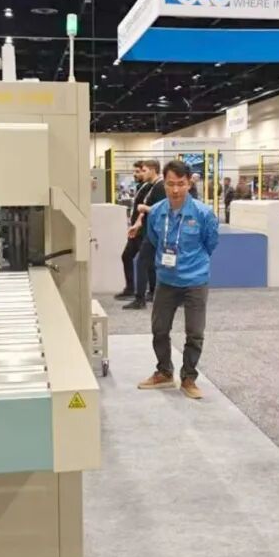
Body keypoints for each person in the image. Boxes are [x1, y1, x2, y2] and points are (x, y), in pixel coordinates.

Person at [136, 160, 219, 400]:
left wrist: (192, 262)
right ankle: (164, 371)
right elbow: (154, 238)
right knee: (159, 329)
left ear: (189, 183)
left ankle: (189, 377)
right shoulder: (156, 212)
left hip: (195, 279)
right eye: (170, 184)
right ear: (164, 182)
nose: (175, 190)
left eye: (180, 184)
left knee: (195, 333)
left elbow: (210, 243)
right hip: (166, 279)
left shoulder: (203, 213)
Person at [124, 160, 164, 310]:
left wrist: (145, 208)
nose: (142, 173)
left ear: (153, 170)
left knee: (143, 262)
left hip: (155, 231)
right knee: (147, 263)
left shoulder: (160, 187)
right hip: (148, 230)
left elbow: (162, 209)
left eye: (144, 170)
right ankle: (148, 294)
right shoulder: (150, 187)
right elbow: (144, 211)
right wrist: (137, 224)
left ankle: (140, 298)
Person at [115, 161, 153, 301]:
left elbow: (146, 209)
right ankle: (130, 288)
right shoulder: (140, 187)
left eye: (139, 171)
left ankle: (148, 292)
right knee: (127, 256)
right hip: (136, 231)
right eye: (135, 171)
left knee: (145, 262)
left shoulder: (150, 188)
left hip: (143, 231)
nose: (135, 174)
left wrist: (139, 224)